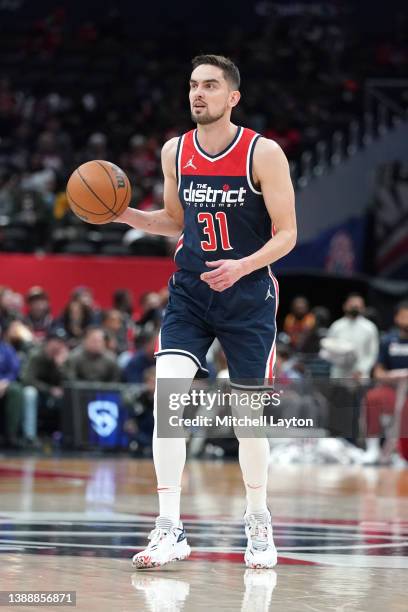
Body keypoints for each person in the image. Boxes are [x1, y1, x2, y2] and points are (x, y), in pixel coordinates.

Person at [116, 55, 296, 569]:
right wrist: (124, 213)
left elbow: (288, 235)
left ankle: (258, 521)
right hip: (192, 292)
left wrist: (241, 267)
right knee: (166, 397)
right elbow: (174, 220)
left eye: (210, 86)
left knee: (247, 420)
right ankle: (169, 528)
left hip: (248, 295)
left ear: (232, 96)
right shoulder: (176, 150)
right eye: (193, 85)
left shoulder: (263, 153)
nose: (198, 94)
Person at [362, 300, 408, 464]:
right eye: (404, 315)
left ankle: (402, 452)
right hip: (393, 388)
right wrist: (393, 376)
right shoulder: (388, 341)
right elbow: (378, 371)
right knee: (372, 398)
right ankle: (372, 448)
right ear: (396, 318)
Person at [21, 329, 68, 443]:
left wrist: (60, 367)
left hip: (55, 395)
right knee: (29, 393)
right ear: (48, 342)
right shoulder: (36, 355)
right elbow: (27, 379)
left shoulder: (63, 358)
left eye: (61, 342)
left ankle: (65, 437)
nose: (58, 345)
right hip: (38, 392)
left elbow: (67, 382)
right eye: (56, 341)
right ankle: (30, 436)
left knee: (69, 396)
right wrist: (49, 389)